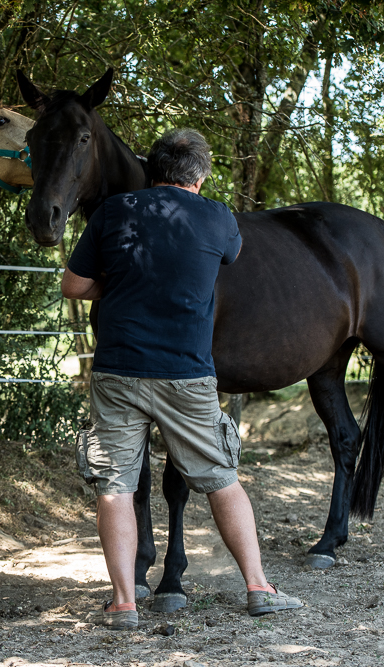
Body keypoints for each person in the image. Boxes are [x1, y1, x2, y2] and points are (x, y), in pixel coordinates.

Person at [63, 128, 303, 628]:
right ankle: (259, 587)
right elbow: (228, 258)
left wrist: (123, 283)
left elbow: (74, 285)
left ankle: (124, 603)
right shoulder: (218, 217)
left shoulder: (113, 211)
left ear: (153, 171)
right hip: (186, 375)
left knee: (116, 486)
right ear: (199, 177)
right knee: (221, 479)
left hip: (118, 372)